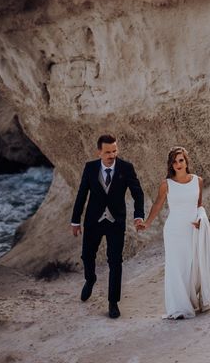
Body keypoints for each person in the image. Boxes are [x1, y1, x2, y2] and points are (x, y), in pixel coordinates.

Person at [70, 134, 144, 318]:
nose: (112, 155)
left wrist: (138, 216)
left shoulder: (126, 168)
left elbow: (138, 193)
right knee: (87, 255)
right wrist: (75, 220)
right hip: (93, 221)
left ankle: (113, 302)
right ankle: (90, 278)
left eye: (114, 151)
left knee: (115, 261)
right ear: (99, 152)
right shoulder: (90, 168)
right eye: (108, 152)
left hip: (115, 222)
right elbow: (81, 195)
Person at [139, 146, 210, 319]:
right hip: (174, 231)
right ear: (171, 165)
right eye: (174, 162)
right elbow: (158, 205)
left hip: (192, 229)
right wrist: (147, 223)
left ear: (186, 161)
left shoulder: (198, 181)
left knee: (192, 266)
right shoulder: (166, 185)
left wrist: (200, 218)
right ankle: (179, 308)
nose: (178, 164)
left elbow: (199, 205)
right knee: (176, 268)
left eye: (181, 160)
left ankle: (192, 299)